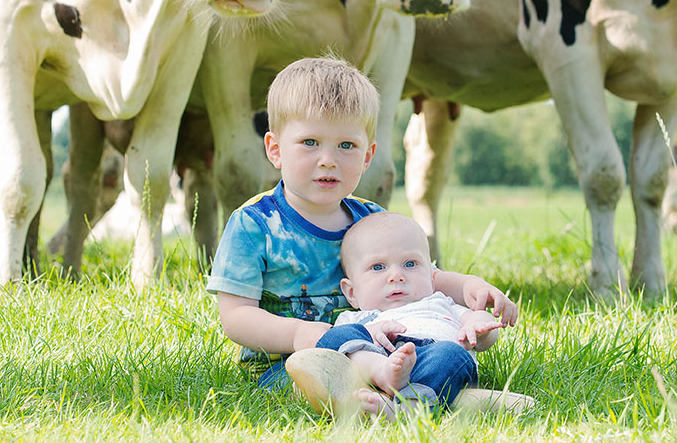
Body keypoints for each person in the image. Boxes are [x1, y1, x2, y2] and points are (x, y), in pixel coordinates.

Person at [206, 57, 516, 393]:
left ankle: (407, 397)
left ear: (367, 157)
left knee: (449, 355)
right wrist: (298, 334)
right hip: (289, 363)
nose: (328, 159)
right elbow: (236, 315)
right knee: (316, 373)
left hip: (384, 354)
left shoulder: (371, 218)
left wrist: (468, 287)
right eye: (310, 142)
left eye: (346, 146)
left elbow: (421, 275)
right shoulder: (255, 224)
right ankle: (414, 398)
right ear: (275, 149)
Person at [309, 211, 504, 418]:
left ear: (431, 278)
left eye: (410, 264)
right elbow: (338, 348)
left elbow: (482, 330)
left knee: (451, 353)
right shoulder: (357, 318)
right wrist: (371, 331)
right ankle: (382, 374)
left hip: (431, 360)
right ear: (351, 292)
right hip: (375, 359)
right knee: (336, 337)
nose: (396, 276)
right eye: (378, 267)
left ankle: (406, 409)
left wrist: (478, 327)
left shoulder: (438, 303)